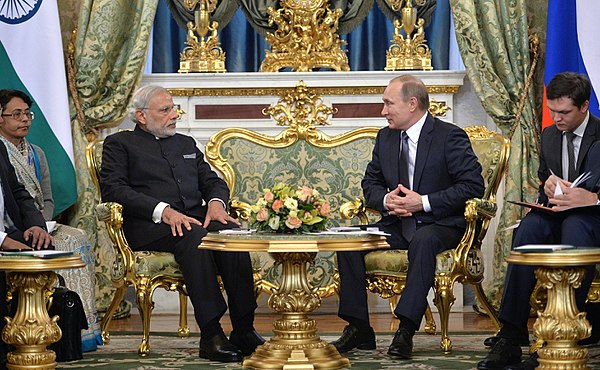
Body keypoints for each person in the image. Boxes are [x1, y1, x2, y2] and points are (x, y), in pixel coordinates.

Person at [100, 85, 264, 363]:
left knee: (231, 236)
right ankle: (211, 335)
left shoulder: (186, 143)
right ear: (141, 116)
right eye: (165, 110)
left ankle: (244, 329)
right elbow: (114, 190)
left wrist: (215, 202)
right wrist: (163, 211)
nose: (174, 115)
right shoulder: (120, 144)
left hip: (194, 219)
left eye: (174, 108)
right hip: (150, 226)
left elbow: (212, 181)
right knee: (194, 237)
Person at [332, 75, 485, 359]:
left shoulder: (448, 136)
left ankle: (405, 328)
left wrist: (423, 202)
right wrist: (387, 200)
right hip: (397, 224)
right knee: (349, 241)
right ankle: (359, 328)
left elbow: (472, 186)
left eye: (389, 103)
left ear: (412, 103)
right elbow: (371, 183)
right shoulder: (385, 137)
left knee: (424, 241)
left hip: (440, 224)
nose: (383, 111)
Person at [478, 72, 600, 370]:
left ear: (584, 107)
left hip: (592, 217)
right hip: (555, 213)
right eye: (552, 111)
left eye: (564, 112)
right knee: (530, 228)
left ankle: (561, 331)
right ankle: (511, 332)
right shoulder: (548, 135)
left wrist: (593, 199)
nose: (556, 118)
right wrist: (546, 188)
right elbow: (546, 177)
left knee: (575, 229)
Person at [0, 89, 102, 352]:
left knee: (76, 238)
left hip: (39, 223)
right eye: (17, 114)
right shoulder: (3, 150)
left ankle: (76, 331)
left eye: (27, 114)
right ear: (1, 118)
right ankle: (41, 327)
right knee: (63, 242)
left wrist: (41, 225)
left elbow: (44, 199)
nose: (25, 119)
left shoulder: (37, 153)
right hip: (11, 228)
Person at [0, 138, 54, 369]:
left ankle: (32, 339)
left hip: (8, 229)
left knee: (42, 246)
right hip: (2, 237)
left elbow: (18, 191)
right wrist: (4, 242)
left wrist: (36, 225)